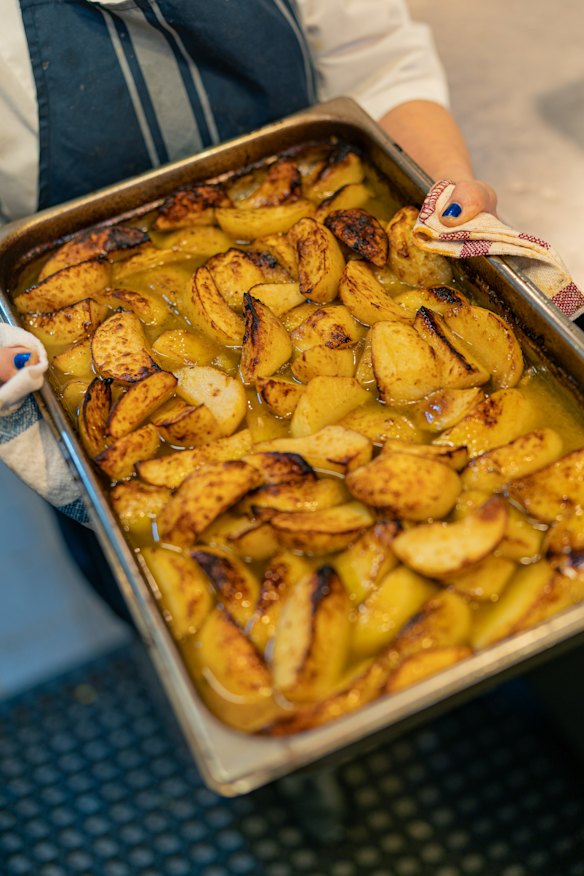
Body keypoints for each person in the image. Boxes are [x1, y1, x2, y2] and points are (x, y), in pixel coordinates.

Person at [0, 0, 497, 618]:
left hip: (315, 192)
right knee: (170, 595)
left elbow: (376, 64)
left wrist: (442, 181)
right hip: (67, 323)